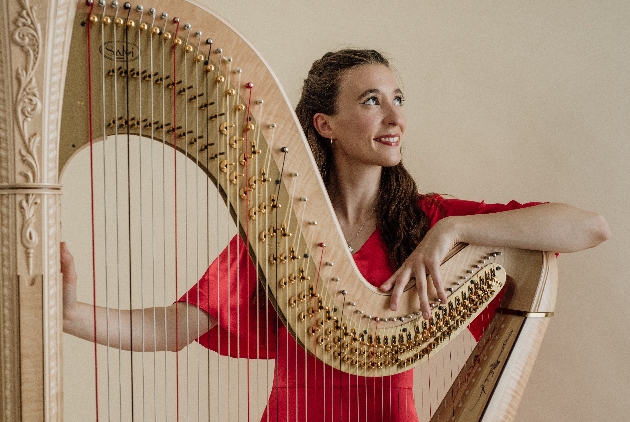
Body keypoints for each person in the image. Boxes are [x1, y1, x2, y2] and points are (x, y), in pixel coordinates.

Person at [61, 49, 610, 421]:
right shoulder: (281, 230)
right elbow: (177, 324)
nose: (395, 116)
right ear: (325, 124)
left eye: (398, 98)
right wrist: (70, 315)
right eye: (372, 100)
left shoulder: (424, 221)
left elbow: (589, 226)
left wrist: (453, 230)